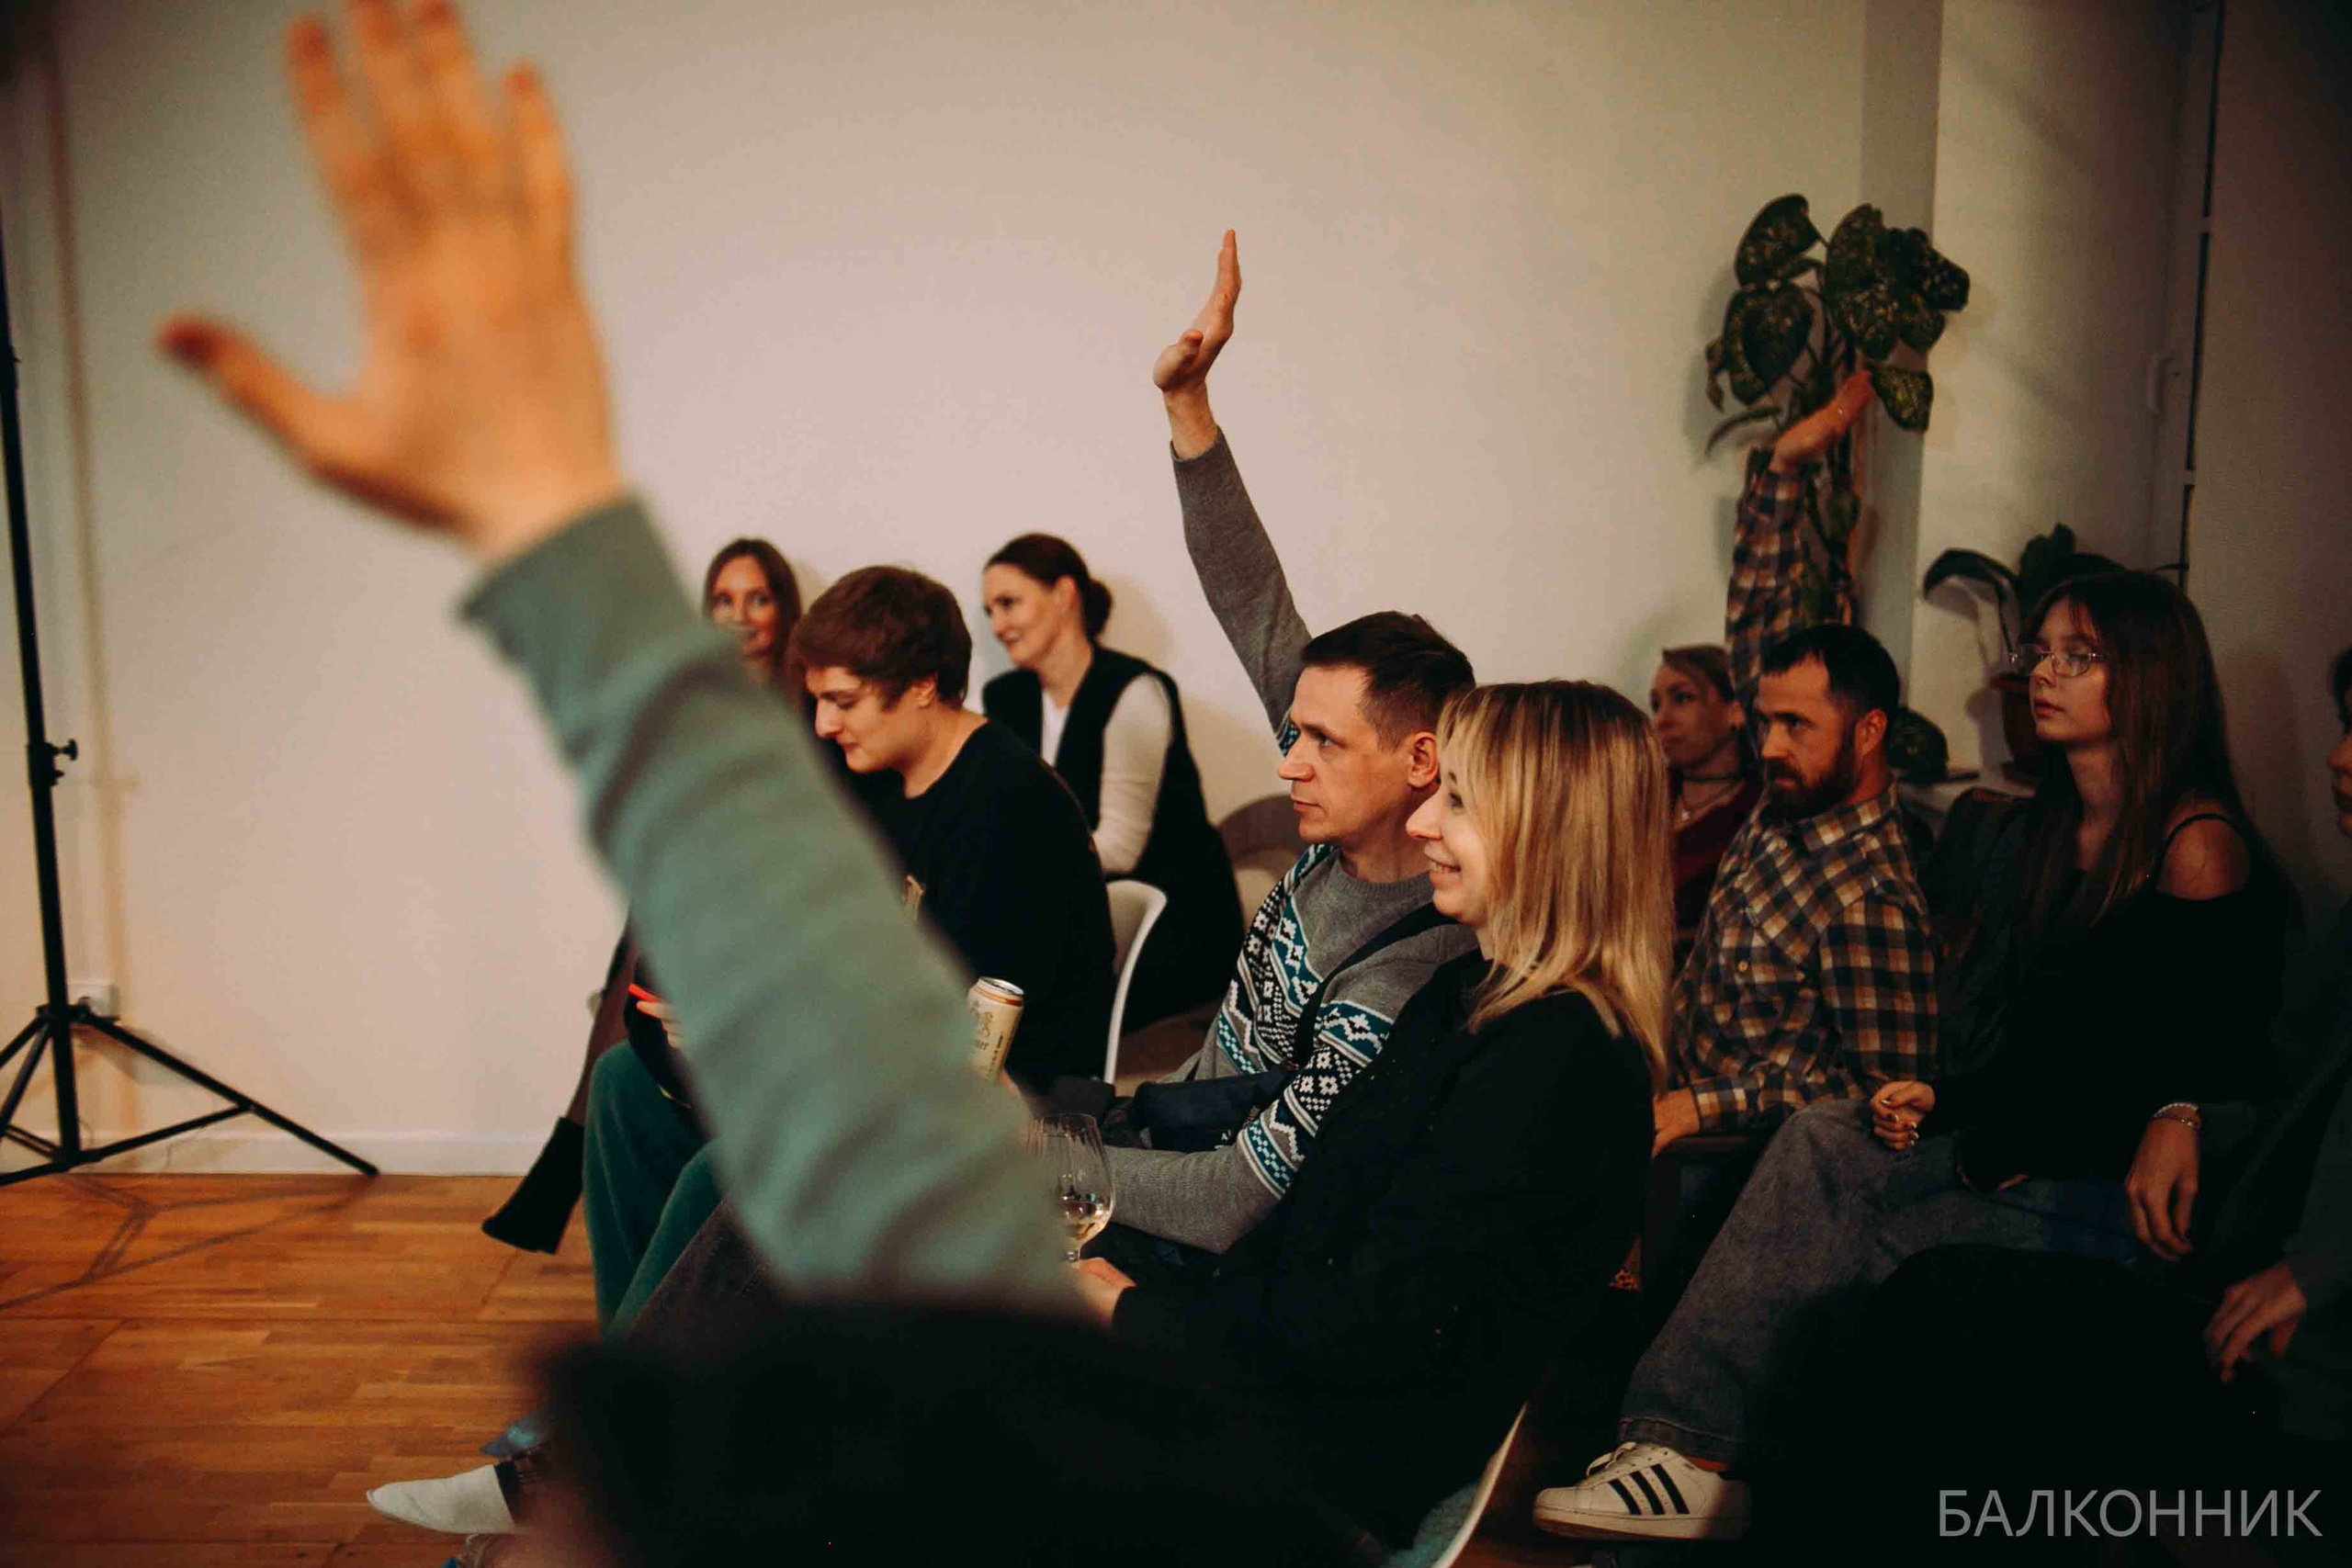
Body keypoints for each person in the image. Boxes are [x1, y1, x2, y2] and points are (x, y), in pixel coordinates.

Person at [161, 12, 1362, 1563]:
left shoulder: (1050, 811)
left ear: (924, 682)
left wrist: (546, 524)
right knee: (627, 1086)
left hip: (1028, 1110)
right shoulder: (899, 774)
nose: (1288, 757)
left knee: (760, 1151)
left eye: (844, 698)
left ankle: (592, 1459)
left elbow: (961, 1025)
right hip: (973, 1101)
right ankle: (618, 1435)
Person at [1534, 570, 2292, 1544]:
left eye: (2076, 656)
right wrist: (1932, 1093)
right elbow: (2038, 1045)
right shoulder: (2047, 834)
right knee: (1823, 1137)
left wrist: (2147, 1117)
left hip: (2097, 1188)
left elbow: (2201, 1058)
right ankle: (1679, 1452)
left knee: (1852, 1240)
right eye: (2040, 653)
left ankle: (1724, 1475)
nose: (2041, 676)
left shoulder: (2195, 846)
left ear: (2148, 677)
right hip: (2017, 1138)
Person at [1069, 680, 1666, 1550]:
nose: (1424, 822)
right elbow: (1313, 1241)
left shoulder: (1559, 1061)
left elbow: (1368, 1332)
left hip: (1317, 1473)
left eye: (1458, 800)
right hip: (1265, 1399)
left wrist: (1137, 1318)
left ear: (1548, 834)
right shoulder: (1463, 997)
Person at [1093, 231, 1479, 1271]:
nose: (1286, 762)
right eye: (1292, 730)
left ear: (1420, 762)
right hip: (1155, 1132)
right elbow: (1251, 596)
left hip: (1191, 1247)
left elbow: (1232, 1203)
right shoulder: (1344, 806)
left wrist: (1035, 1164)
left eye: (1319, 741)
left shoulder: (1411, 970)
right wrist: (1187, 407)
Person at [481, 536, 806, 1255]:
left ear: (784, 608)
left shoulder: (811, 699)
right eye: (723, 599)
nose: (741, 615)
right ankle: (576, 1162)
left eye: (758, 598)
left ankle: (563, 1159)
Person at [1648, 374, 1939, 1157]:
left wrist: (1706, 1106)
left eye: (1794, 725)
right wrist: (1782, 467)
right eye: (1766, 720)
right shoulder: (1793, 798)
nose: (1768, 744)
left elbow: (1885, 1106)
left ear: (1870, 730)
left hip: (1730, 1163)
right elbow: (1755, 621)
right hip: (1668, 1086)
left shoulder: (1872, 900)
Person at [980, 533, 1244, 1028]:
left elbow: (1121, 847)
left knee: (1029, 997)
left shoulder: (1135, 691)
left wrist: (1015, 877)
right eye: (990, 610)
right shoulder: (1005, 698)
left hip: (1171, 919)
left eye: (1009, 603)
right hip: (1077, 911)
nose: (997, 625)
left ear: (1064, 595)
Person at [1648, 643, 1761, 960]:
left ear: (1733, 711)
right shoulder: (1640, 796)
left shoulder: (1758, 813)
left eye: (1682, 698)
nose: (1662, 720)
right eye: (1656, 704)